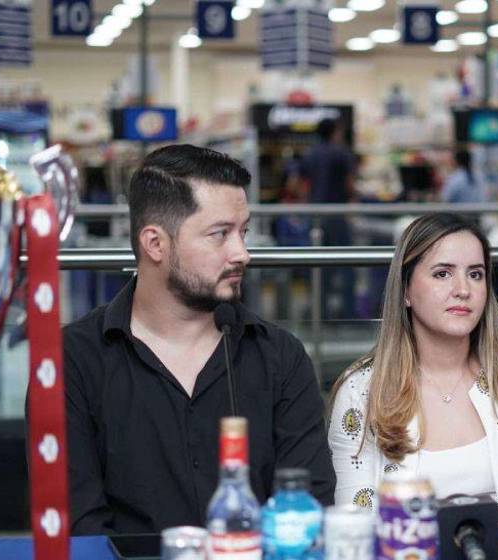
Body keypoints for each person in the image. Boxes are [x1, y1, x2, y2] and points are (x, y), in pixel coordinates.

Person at [62, 145, 335, 534]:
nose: (241, 253)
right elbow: (78, 525)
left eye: (242, 232)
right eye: (220, 234)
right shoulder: (75, 360)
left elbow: (309, 507)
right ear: (155, 244)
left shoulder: (280, 357)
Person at [328, 213, 498, 509]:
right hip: (404, 542)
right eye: (442, 274)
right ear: (406, 290)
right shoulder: (361, 391)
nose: (463, 290)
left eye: (475, 274)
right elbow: (354, 523)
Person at [300, 117, 357, 319]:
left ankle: (321, 314)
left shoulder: (310, 154)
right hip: (336, 214)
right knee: (347, 265)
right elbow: (349, 184)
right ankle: (348, 314)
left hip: (315, 215)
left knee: (320, 266)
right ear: (334, 132)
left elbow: (300, 185)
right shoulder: (342, 153)